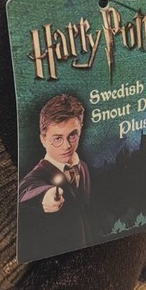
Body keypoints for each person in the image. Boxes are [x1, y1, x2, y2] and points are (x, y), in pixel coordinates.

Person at [17, 93, 92, 261]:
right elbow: (25, 190)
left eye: (73, 135)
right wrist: (46, 195)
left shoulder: (83, 168)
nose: (66, 146)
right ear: (43, 140)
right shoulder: (38, 175)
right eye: (57, 139)